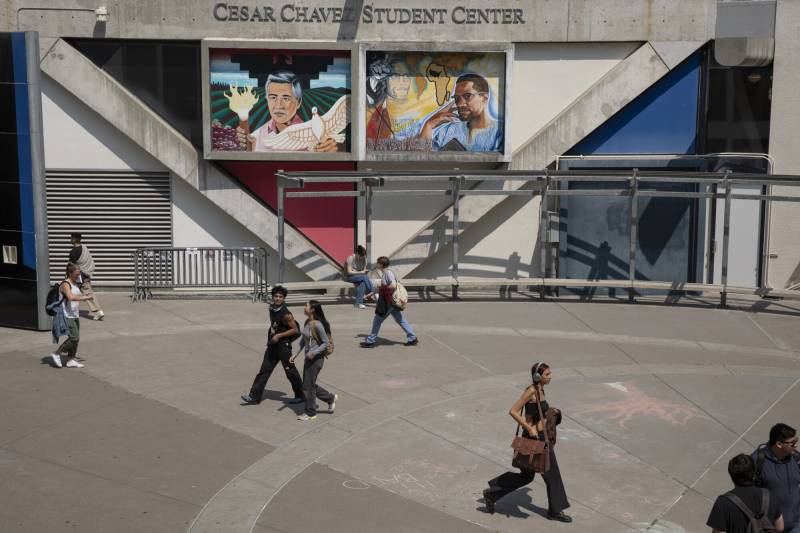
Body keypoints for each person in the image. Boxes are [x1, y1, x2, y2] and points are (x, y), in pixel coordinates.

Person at [483, 363, 571, 522]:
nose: (550, 376)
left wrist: (551, 413)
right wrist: (529, 428)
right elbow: (513, 411)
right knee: (552, 474)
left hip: (541, 436)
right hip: (534, 438)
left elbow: (538, 410)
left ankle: (492, 493)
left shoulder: (541, 389)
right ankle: (555, 511)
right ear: (538, 376)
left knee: (527, 477)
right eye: (547, 374)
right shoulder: (531, 391)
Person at [234, 70, 337, 153]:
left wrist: (330, 152)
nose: (278, 105)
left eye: (286, 98)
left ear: (299, 102)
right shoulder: (256, 137)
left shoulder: (316, 137)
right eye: (273, 97)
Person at [241, 286, 305, 405]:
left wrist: (278, 336)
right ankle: (254, 397)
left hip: (283, 347)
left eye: (280, 297)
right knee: (264, 371)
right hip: (273, 345)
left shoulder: (286, 314)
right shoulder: (272, 308)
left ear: (284, 298)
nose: (277, 299)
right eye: (276, 296)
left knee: (291, 372)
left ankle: (301, 395)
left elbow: (295, 330)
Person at [417, 73, 503, 152]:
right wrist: (428, 125)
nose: (460, 104)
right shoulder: (447, 131)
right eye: (457, 98)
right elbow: (422, 159)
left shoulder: (500, 131)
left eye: (467, 96)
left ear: (484, 98)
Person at [707, 454, 784, 533]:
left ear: (732, 476)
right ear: (754, 473)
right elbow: (780, 527)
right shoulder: (768, 495)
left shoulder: (723, 502)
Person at [289, 300, 337, 421]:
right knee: (308, 384)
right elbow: (303, 341)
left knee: (307, 386)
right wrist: (295, 354)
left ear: (312, 310)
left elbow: (326, 343)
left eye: (306, 305)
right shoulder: (307, 322)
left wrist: (314, 352)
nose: (304, 307)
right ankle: (330, 398)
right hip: (308, 359)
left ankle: (311, 413)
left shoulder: (317, 325)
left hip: (316, 359)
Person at [359, 256, 417, 348]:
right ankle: (412, 338)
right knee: (400, 320)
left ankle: (370, 341)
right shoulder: (387, 272)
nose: (376, 264)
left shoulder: (388, 273)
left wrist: (382, 288)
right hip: (391, 301)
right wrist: (369, 295)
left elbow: (393, 285)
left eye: (378, 263)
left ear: (381, 264)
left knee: (377, 320)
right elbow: (382, 287)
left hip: (388, 302)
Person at [753, 423, 800, 532]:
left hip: (796, 526)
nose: (796, 445)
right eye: (792, 443)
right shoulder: (757, 461)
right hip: (771, 528)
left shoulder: (796, 457)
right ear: (779, 444)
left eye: (796, 441)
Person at [50, 263, 94, 369]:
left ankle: (70, 360)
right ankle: (57, 353)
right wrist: (85, 298)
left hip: (74, 314)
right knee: (74, 338)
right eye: (76, 273)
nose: (78, 275)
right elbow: (70, 297)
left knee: (75, 338)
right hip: (66, 315)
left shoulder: (74, 283)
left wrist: (85, 296)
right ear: (70, 273)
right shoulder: (65, 284)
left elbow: (76, 295)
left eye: (79, 273)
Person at [68, 233, 104, 321]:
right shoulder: (84, 248)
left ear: (75, 239)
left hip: (81, 276)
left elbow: (71, 266)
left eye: (71, 238)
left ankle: (99, 311)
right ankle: (69, 309)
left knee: (87, 293)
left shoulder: (73, 252)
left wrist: (69, 276)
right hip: (86, 274)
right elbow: (89, 261)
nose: (70, 239)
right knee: (81, 293)